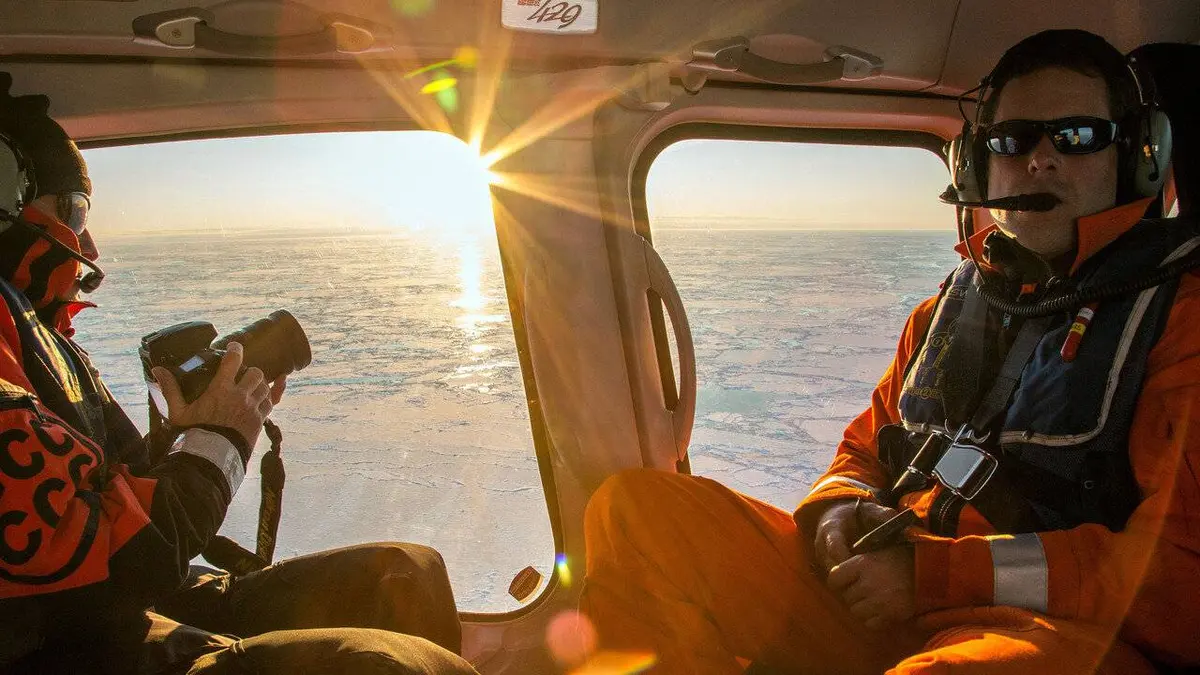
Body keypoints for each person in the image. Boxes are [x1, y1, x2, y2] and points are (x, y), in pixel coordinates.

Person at [580, 30, 1200, 674]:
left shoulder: (1181, 323)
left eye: (1075, 137)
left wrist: (937, 576)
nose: (1039, 160)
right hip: (894, 596)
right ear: (978, 164)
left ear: (1138, 157)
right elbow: (864, 450)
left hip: (1055, 636)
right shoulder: (944, 314)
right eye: (1011, 140)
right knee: (637, 515)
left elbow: (1181, 582)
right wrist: (838, 510)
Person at [0, 76, 478, 675]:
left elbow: (124, 496)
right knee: (384, 668)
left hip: (124, 610)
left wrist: (188, 431)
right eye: (71, 211)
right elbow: (113, 571)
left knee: (405, 574)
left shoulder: (39, 334)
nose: (89, 242)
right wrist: (219, 442)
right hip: (72, 645)